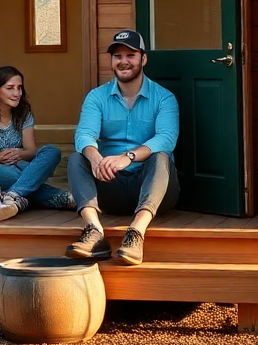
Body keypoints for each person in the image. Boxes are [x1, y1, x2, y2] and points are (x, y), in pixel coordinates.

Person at [65, 29, 180, 266]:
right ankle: (94, 232)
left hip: (153, 189)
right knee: (78, 158)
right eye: (118, 56)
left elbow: (167, 138)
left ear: (143, 59)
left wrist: (128, 156)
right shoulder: (96, 97)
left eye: (131, 55)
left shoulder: (164, 98)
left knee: (161, 156)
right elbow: (84, 134)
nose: (124, 61)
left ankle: (136, 233)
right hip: (112, 185)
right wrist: (96, 158)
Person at [0, 65, 73, 212]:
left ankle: (13, 194)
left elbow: (31, 150)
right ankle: (57, 197)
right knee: (14, 174)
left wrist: (19, 154)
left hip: (21, 164)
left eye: (19, 88)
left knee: (52, 151)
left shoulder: (24, 114)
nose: (17, 93)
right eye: (10, 88)